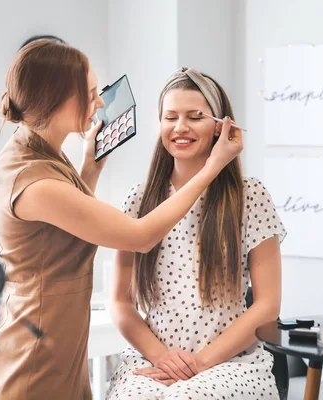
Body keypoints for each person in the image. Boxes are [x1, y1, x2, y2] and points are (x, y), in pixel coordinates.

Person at [0, 42, 243, 399]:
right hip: (34, 360)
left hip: (57, 345)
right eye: (91, 95)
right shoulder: (34, 179)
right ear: (58, 98)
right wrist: (213, 167)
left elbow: (65, 225)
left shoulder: (40, 156)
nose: (100, 103)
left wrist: (90, 166)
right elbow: (140, 236)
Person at [107, 67, 286, 400]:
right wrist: (162, 357)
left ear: (221, 126)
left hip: (232, 363)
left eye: (195, 116)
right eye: (170, 117)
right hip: (154, 358)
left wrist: (200, 363)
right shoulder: (138, 199)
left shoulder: (250, 197)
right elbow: (120, 301)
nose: (180, 127)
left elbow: (267, 306)